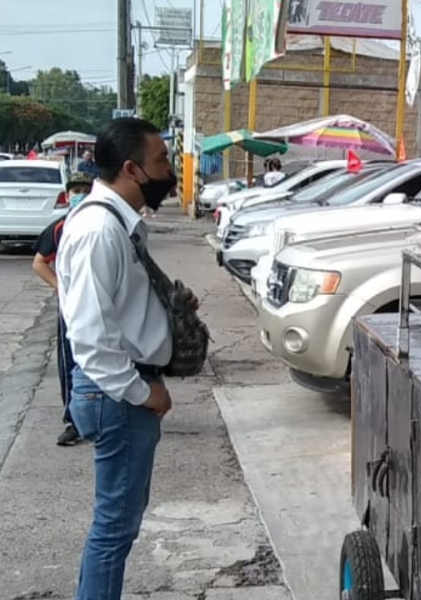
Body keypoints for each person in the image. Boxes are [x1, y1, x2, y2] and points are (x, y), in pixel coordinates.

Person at [56, 117, 196, 600]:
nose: (169, 170)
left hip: (120, 389)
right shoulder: (99, 230)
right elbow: (91, 337)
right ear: (133, 170)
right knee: (113, 529)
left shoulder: (114, 223)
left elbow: (119, 306)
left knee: (116, 527)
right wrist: (144, 393)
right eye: (161, 161)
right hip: (118, 393)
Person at [31, 171, 94, 446]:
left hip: (101, 304)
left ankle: (104, 415)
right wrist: (60, 288)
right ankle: (73, 420)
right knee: (70, 362)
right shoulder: (60, 227)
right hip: (71, 308)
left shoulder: (101, 223)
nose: (78, 195)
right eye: (74, 191)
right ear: (67, 195)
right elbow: (39, 263)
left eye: (83, 189)